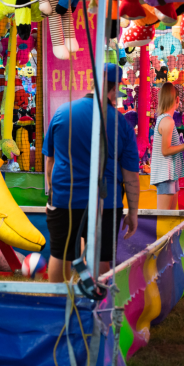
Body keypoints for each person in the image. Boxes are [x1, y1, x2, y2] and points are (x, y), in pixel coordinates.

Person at [44, 63, 140, 282]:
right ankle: (96, 310)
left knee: (61, 254)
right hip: (106, 202)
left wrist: (52, 195)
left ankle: (59, 307)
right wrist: (133, 212)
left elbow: (50, 161)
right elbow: (130, 176)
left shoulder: (62, 113)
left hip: (65, 198)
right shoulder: (121, 124)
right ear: (115, 89)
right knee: (100, 258)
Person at [150, 83, 184, 209]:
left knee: (170, 218)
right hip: (166, 174)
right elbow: (165, 150)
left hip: (170, 174)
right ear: (177, 99)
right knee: (164, 219)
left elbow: (170, 147)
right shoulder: (168, 121)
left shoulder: (165, 119)